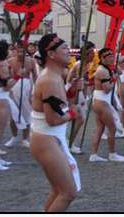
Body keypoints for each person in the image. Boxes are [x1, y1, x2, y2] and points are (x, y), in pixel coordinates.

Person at [29, 34, 81, 212]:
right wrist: (73, 113)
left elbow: (58, 105)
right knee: (68, 193)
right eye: (64, 48)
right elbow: (53, 120)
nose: (69, 51)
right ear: (51, 54)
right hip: (46, 139)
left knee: (58, 190)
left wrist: (72, 88)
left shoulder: (55, 76)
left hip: (49, 138)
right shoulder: (50, 79)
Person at [0, 40, 23, 170]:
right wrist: (18, 76)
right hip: (0, 100)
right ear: (5, 51)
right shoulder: (1, 65)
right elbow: (7, 87)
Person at [89, 48, 124, 163]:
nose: (111, 57)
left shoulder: (108, 68)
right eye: (108, 56)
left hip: (101, 100)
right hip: (102, 100)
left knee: (100, 128)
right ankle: (112, 154)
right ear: (101, 58)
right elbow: (106, 89)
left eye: (112, 55)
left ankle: (94, 154)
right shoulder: (102, 71)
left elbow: (121, 72)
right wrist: (114, 79)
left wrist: (114, 66)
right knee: (112, 128)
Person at [4, 41, 38, 148]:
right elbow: (7, 78)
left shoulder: (31, 61)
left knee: (27, 114)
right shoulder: (9, 62)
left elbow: (36, 77)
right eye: (18, 51)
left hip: (27, 89)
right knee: (13, 115)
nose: (20, 53)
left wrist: (34, 93)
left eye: (22, 51)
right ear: (15, 50)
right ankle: (14, 137)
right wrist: (9, 92)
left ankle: (25, 139)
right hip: (13, 89)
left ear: (25, 51)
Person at [66, 41, 96, 154]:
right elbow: (75, 81)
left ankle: (69, 142)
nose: (93, 55)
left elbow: (83, 82)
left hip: (79, 92)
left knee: (79, 118)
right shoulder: (80, 65)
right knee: (79, 117)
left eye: (93, 53)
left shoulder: (86, 64)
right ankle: (68, 142)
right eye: (91, 53)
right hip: (72, 91)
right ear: (85, 54)